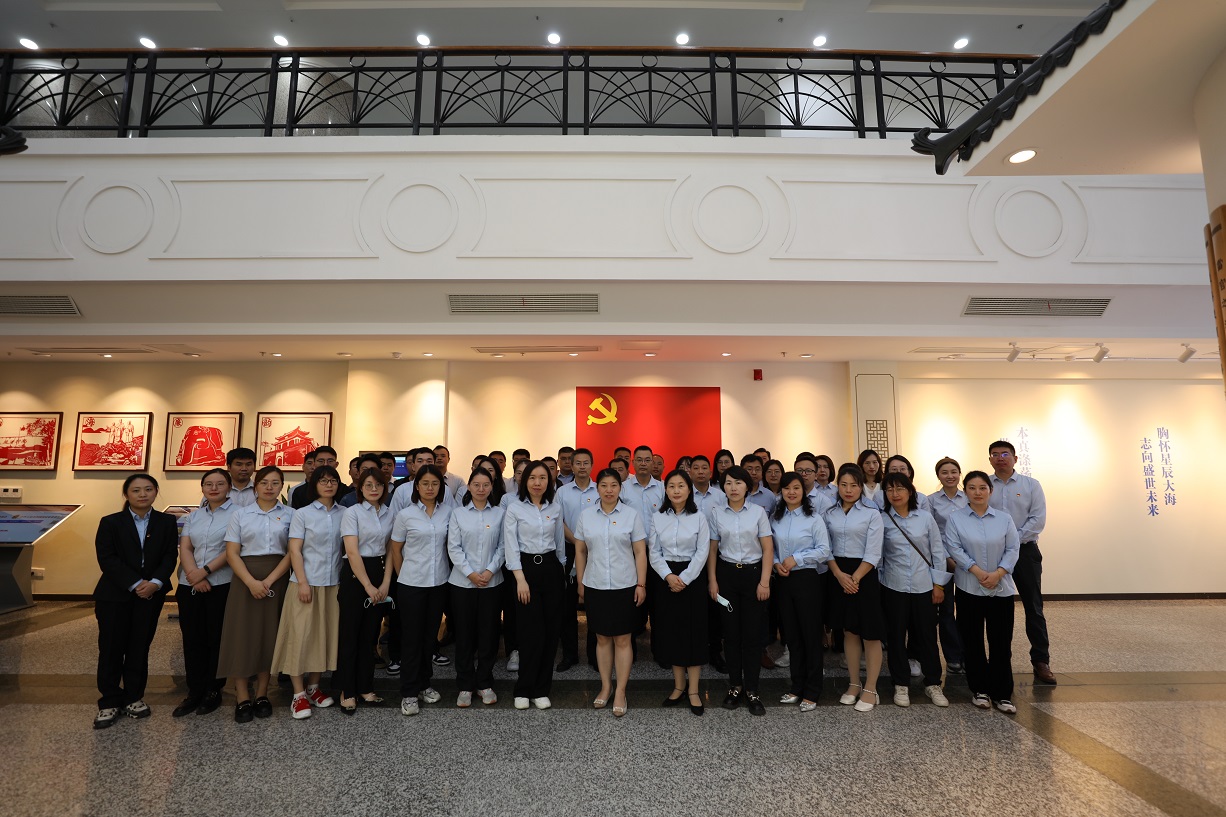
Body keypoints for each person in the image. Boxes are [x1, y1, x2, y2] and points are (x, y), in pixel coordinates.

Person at [92, 473, 178, 729]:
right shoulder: (111, 522)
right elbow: (107, 558)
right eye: (136, 490)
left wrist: (155, 583)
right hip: (114, 595)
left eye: (148, 489)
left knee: (139, 646)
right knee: (111, 647)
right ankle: (109, 700)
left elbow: (169, 556)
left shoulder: (166, 521)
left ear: (156, 492)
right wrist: (136, 583)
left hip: (151, 594)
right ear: (126, 494)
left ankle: (133, 697)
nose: (142, 494)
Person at [217, 465, 294, 723]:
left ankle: (262, 694)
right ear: (256, 486)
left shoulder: (291, 514)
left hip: (278, 578)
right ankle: (241, 695)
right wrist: (251, 582)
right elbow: (232, 553)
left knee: (269, 635)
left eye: (275, 483)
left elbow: (291, 553)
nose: (269, 487)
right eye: (264, 483)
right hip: (244, 578)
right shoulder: (240, 515)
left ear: (281, 486)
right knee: (242, 635)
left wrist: (269, 581)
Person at [270, 465, 345, 719]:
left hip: (333, 584)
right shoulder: (302, 514)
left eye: (333, 480)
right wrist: (302, 582)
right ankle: (298, 694)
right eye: (323, 480)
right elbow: (295, 550)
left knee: (323, 637)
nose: (329, 484)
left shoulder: (345, 513)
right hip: (306, 583)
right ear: (314, 485)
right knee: (300, 637)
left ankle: (314, 687)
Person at [944, 470, 1021, 713]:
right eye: (972, 488)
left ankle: (1003, 693)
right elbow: (954, 548)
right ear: (965, 491)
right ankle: (979, 689)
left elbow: (1013, 549)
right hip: (969, 587)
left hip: (1001, 588)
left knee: (1001, 642)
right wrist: (977, 572)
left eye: (982, 488)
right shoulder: (955, 519)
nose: (977, 492)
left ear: (991, 490)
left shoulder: (1004, 518)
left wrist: (998, 573)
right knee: (972, 641)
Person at [574, 468, 648, 718]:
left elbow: (640, 551)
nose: (608, 490)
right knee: (602, 638)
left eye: (613, 485)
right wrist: (581, 582)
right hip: (595, 584)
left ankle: (621, 691)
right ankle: (606, 686)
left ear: (620, 488)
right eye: (604, 485)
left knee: (623, 639)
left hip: (624, 584)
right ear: (597, 488)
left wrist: (641, 584)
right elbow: (580, 551)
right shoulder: (586, 516)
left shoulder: (631, 515)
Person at [878, 472, 950, 708]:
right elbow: (878, 556)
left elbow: (937, 552)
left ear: (910, 491)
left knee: (926, 636)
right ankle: (900, 683)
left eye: (900, 488)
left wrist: (938, 585)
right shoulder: (882, 519)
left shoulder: (925, 518)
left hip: (923, 586)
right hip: (893, 585)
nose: (895, 493)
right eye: (889, 489)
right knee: (896, 636)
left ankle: (933, 683)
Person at [707, 465, 774, 716]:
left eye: (738, 483)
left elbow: (767, 548)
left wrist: (764, 582)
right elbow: (713, 549)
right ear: (722, 487)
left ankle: (753, 690)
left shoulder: (758, 512)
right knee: (731, 633)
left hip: (753, 576)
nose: (733, 488)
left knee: (752, 635)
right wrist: (713, 581)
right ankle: (735, 686)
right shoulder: (716, 513)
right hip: (726, 577)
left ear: (747, 486)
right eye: (728, 483)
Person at [987, 440, 1055, 686]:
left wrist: (1012, 540)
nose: (1000, 458)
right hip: (994, 553)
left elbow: (1037, 520)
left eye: (1005, 454)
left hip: (1025, 552)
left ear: (1015, 458)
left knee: (1033, 607)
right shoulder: (984, 485)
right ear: (990, 460)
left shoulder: (1031, 485)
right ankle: (998, 660)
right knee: (996, 608)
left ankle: (1041, 660)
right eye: (995, 454)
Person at [503, 461, 566, 710]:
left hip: (551, 569)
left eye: (542, 478)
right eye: (532, 478)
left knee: (550, 633)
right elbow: (511, 546)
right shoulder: (515, 508)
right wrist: (520, 579)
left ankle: (541, 689)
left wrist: (562, 572)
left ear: (549, 481)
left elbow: (559, 543)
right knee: (530, 634)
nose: (537, 483)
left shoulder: (555, 507)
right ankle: (523, 688)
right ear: (524, 481)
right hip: (525, 571)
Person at [172, 468, 235, 719]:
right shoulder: (193, 516)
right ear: (202, 488)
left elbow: (232, 549)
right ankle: (194, 690)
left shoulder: (239, 514)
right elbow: (185, 547)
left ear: (229, 487)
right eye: (209, 484)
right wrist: (193, 575)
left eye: (220, 484)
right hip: (190, 585)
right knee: (192, 637)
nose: (214, 488)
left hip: (221, 583)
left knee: (216, 638)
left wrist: (205, 571)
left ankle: (213, 689)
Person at [391, 464, 452, 716]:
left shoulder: (448, 512)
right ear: (417, 486)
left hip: (438, 583)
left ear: (441, 487)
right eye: (425, 483)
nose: (430, 488)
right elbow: (396, 549)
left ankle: (425, 684)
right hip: (411, 584)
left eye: (435, 483)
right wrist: (402, 575)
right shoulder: (406, 515)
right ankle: (408, 692)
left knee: (429, 639)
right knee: (412, 639)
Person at [648, 469, 711, 716]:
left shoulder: (699, 517)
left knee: (694, 633)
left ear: (689, 489)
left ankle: (693, 690)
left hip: (692, 578)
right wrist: (668, 576)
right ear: (665, 490)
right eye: (671, 486)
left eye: (681, 486)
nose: (676, 490)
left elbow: (702, 552)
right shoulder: (657, 517)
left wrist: (684, 578)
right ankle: (678, 687)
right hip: (666, 578)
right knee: (671, 632)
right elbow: (653, 552)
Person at [825, 462, 884, 713]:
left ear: (861, 487)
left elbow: (874, 552)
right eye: (843, 485)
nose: (848, 490)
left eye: (854, 485)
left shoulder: (872, 513)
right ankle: (853, 683)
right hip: (838, 574)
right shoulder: (829, 513)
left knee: (870, 633)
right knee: (849, 631)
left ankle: (871, 688)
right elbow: (825, 547)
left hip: (864, 575)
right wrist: (839, 575)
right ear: (837, 486)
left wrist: (855, 578)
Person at [770, 471, 831, 712]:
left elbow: (824, 550)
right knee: (792, 637)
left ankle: (813, 690)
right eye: (786, 488)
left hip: (806, 579)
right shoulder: (776, 518)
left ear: (803, 491)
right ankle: (796, 687)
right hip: (783, 581)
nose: (791, 492)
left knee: (810, 636)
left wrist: (797, 558)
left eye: (796, 488)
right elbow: (770, 549)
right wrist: (776, 563)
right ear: (781, 492)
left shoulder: (813, 518)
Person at [336, 467, 394, 714]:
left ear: (385, 487)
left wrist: (385, 582)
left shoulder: (390, 513)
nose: (373, 489)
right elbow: (352, 551)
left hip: (380, 571)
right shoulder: (352, 512)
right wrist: (368, 586)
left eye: (378, 485)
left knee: (370, 635)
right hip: (355, 575)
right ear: (360, 487)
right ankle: (347, 690)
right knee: (350, 635)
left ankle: (365, 687)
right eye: (368, 485)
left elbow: (391, 549)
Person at [447, 468, 504, 707]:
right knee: (464, 635)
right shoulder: (458, 514)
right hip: (462, 584)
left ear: (492, 487)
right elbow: (453, 547)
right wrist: (471, 574)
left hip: (492, 583)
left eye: (486, 485)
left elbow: (503, 546)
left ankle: (485, 682)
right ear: (468, 487)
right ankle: (465, 685)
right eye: (476, 485)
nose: (481, 489)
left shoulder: (500, 514)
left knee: (489, 635)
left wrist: (489, 571)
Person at [557, 447, 598, 671]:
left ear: (592, 465)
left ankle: (594, 655)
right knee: (567, 606)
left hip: (595, 552)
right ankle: (570, 655)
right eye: (578, 463)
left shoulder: (600, 489)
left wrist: (587, 545)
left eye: (586, 463)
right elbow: (558, 521)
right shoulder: (562, 492)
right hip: (569, 549)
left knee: (593, 605)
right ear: (571, 466)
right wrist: (577, 541)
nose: (582, 467)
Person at [927, 457, 967, 674]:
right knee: (946, 611)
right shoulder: (931, 501)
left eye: (954, 472)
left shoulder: (968, 497)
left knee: (968, 611)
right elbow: (932, 534)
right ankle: (953, 657)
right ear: (938, 476)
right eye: (945, 472)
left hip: (968, 562)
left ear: (959, 474)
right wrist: (946, 558)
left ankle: (968, 653)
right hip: (942, 562)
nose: (950, 476)